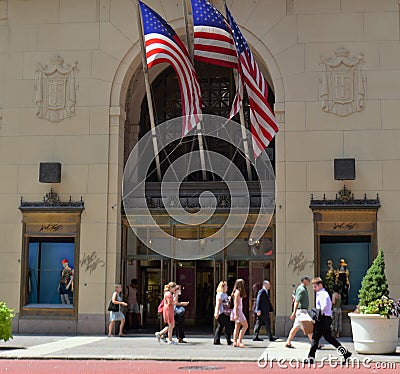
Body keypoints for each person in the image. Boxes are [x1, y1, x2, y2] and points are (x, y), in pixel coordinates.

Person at [306, 277, 351, 363]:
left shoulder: (322, 294)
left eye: (315, 286)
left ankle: (311, 357)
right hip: (325, 318)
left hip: (322, 319)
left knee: (316, 338)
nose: (314, 288)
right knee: (328, 338)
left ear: (320, 285)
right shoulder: (324, 293)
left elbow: (323, 306)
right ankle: (345, 353)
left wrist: (317, 315)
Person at [285, 276, 313, 348]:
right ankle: (314, 343)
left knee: (295, 328)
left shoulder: (302, 288)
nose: (309, 282)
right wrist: (294, 312)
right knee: (308, 326)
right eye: (308, 280)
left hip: (301, 311)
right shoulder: (301, 289)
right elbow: (297, 301)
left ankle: (288, 342)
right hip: (301, 311)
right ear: (304, 280)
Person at [214, 281, 233, 345]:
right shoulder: (220, 294)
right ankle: (228, 340)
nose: (227, 287)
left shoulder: (225, 294)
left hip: (225, 312)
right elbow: (218, 304)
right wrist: (216, 312)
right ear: (222, 287)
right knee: (227, 325)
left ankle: (216, 340)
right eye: (225, 286)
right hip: (222, 312)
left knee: (220, 326)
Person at [230, 279, 248, 348]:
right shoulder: (238, 292)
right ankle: (239, 341)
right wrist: (236, 314)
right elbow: (236, 304)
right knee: (245, 325)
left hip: (238, 311)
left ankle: (235, 341)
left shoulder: (236, 292)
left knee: (237, 326)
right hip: (238, 311)